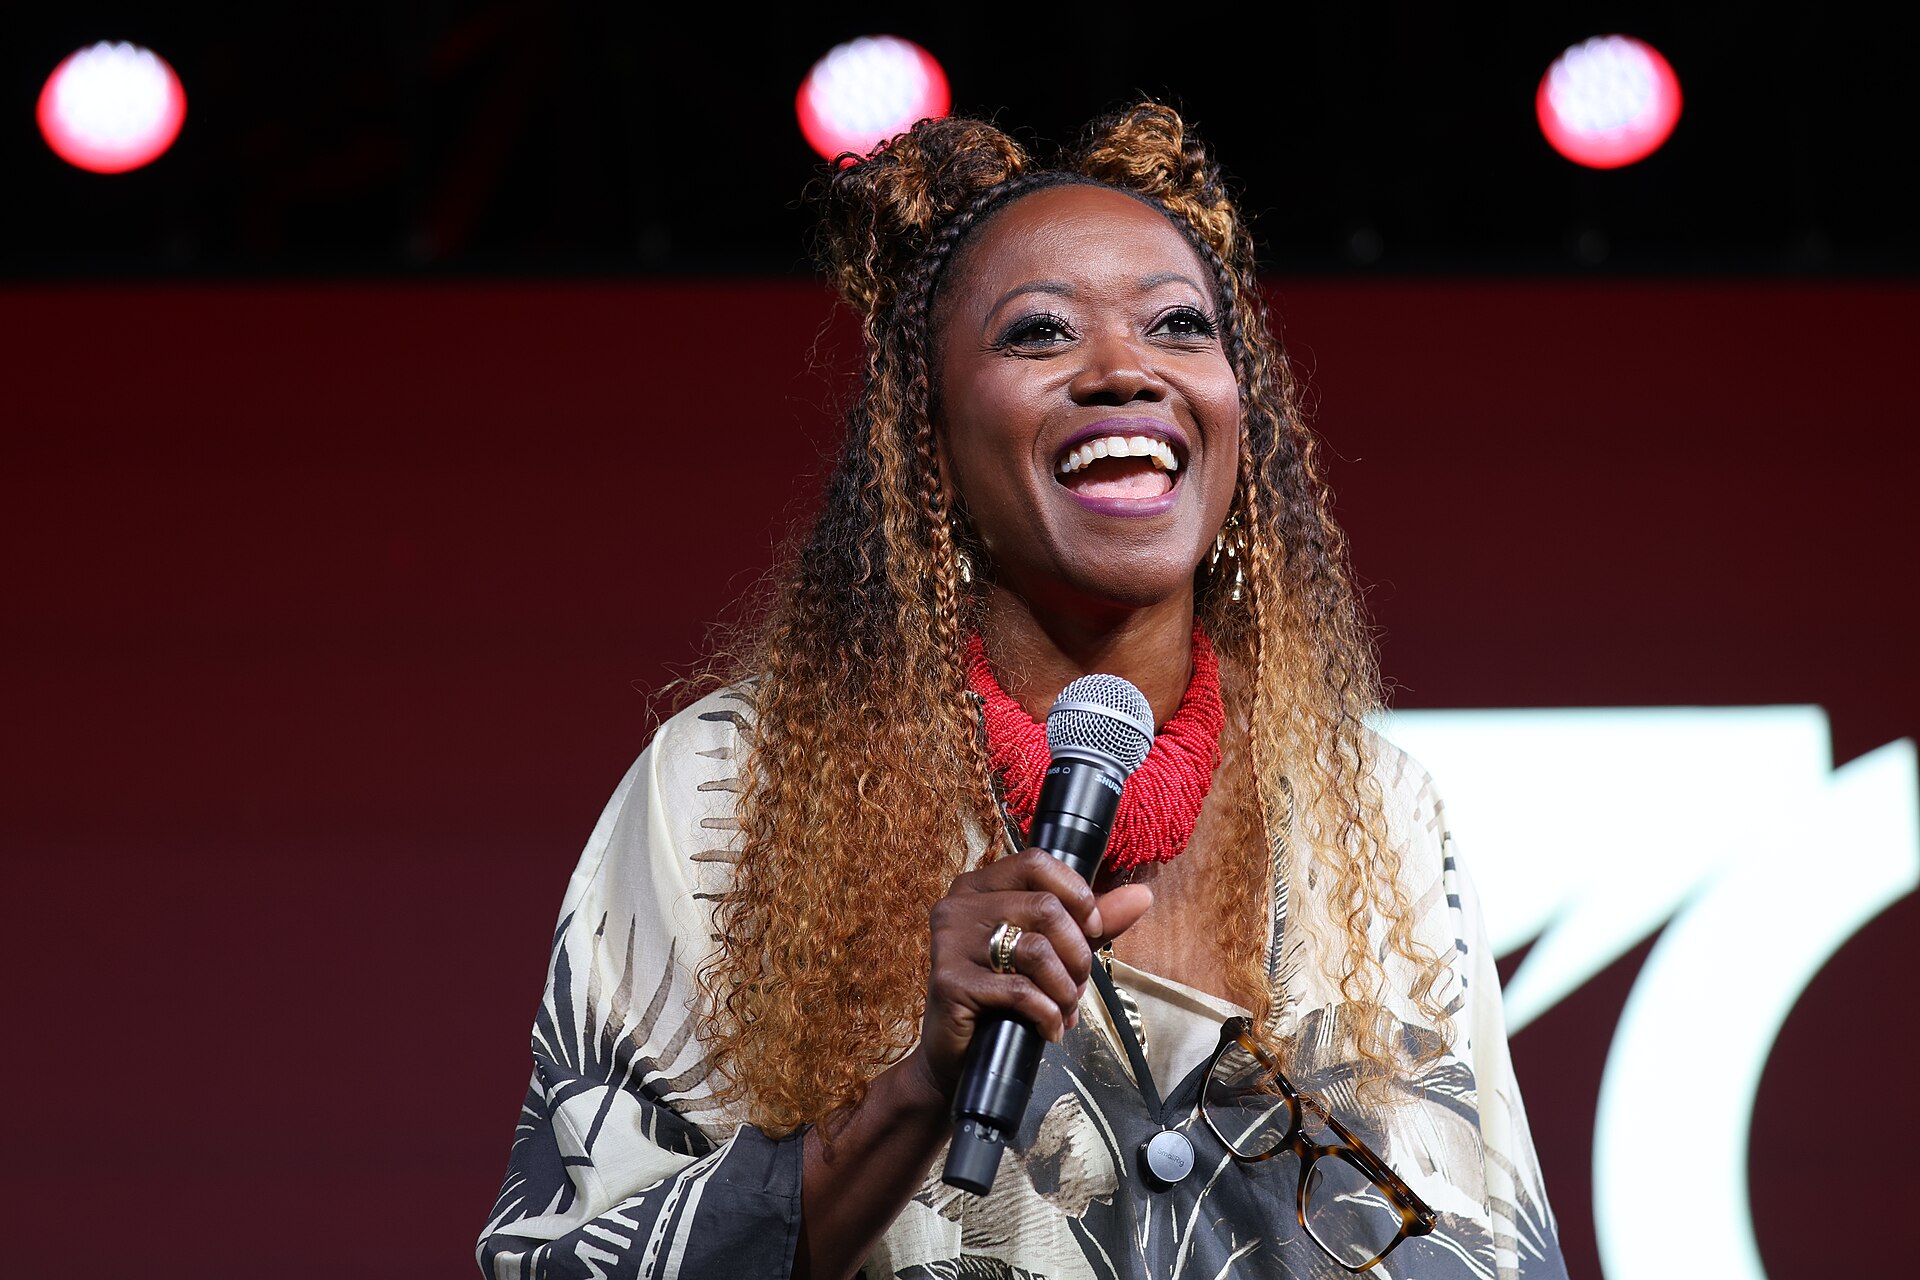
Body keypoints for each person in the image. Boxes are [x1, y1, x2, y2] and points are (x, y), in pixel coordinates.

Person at [476, 102, 1568, 1280]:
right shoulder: (730, 788)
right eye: (1040, 332)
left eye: (1179, 325)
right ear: (931, 443)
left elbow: (1491, 1245)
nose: (1125, 370)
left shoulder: (1375, 808)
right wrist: (918, 1090)